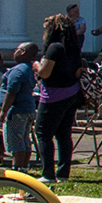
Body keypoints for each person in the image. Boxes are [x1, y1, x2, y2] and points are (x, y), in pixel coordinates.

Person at [34, 13, 85, 182]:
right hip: (71, 93)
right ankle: (63, 173)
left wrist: (36, 65)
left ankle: (47, 173)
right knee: (64, 134)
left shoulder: (54, 48)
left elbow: (45, 72)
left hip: (53, 95)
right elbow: (78, 72)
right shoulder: (73, 48)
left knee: (43, 133)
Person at [0, 43, 39, 171]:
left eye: (16, 49)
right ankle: (24, 167)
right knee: (25, 138)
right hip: (29, 109)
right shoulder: (29, 69)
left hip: (17, 109)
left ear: (22, 52)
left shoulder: (17, 70)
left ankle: (17, 167)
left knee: (16, 140)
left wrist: (4, 110)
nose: (14, 52)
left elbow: (11, 92)